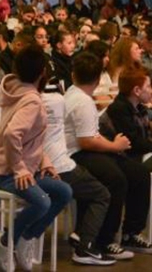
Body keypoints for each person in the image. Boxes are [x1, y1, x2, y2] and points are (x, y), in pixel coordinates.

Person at [0, 46, 73, 271]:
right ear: (43, 72)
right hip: (8, 172)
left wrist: (46, 162)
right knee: (43, 201)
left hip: (22, 168)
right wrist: (20, 169)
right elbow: (12, 134)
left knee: (64, 192)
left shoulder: (17, 91)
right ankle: (6, 241)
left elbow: (32, 140)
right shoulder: (32, 100)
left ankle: (27, 236)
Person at [65, 51, 152, 258]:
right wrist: (114, 146)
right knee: (116, 179)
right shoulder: (82, 101)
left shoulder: (74, 93)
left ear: (73, 75)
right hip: (76, 154)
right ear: (97, 80)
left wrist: (114, 146)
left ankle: (130, 233)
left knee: (137, 173)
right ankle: (105, 239)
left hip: (85, 150)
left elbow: (92, 137)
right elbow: (86, 141)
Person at [39, 53, 114, 266]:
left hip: (51, 161)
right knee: (102, 193)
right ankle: (86, 246)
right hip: (57, 164)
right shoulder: (57, 100)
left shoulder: (60, 97)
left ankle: (81, 234)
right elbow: (87, 140)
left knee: (98, 181)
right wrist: (115, 146)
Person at [106, 66, 152, 170]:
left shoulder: (138, 106)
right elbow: (134, 142)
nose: (151, 91)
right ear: (137, 90)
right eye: (149, 86)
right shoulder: (119, 109)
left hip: (141, 154)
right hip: (129, 160)